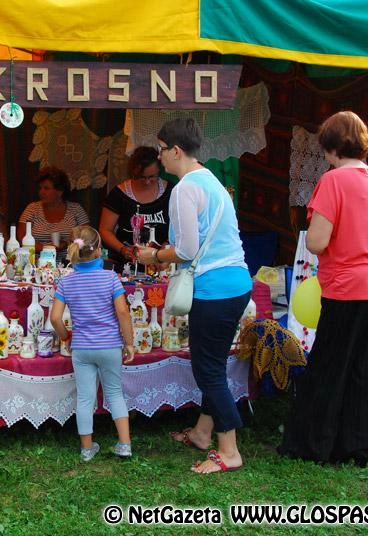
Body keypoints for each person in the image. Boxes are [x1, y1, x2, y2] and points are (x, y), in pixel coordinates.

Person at [277, 111, 368, 468]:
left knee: (329, 366)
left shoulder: (333, 181)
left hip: (347, 285)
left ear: (330, 147)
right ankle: (356, 445)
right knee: (365, 368)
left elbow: (316, 241)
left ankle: (313, 444)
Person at [137, 118, 251, 474]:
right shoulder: (211, 180)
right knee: (213, 363)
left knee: (208, 370)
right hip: (235, 283)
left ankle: (229, 449)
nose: (158, 158)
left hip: (215, 289)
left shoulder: (186, 187)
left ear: (175, 150)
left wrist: (153, 256)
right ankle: (203, 433)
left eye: (160, 149)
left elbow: (186, 249)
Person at [50, 225, 135, 461]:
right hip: (109, 346)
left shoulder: (66, 283)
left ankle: (87, 449)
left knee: (86, 398)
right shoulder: (110, 278)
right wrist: (128, 343)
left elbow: (55, 317)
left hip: (82, 348)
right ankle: (124, 444)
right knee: (115, 394)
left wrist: (66, 336)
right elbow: (123, 313)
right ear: (99, 251)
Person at [99, 146, 174, 267]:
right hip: (128, 265)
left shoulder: (171, 191)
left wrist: (166, 247)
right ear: (133, 173)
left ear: (159, 171)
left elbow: (179, 228)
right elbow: (105, 229)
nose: (147, 182)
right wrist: (123, 249)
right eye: (142, 177)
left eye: (152, 177)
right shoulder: (119, 194)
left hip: (161, 264)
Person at [18, 166, 89, 261]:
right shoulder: (32, 209)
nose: (41, 192)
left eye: (46, 188)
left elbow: (87, 237)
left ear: (60, 192)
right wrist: (45, 248)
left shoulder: (76, 209)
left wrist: (67, 244)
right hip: (37, 264)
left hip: (69, 264)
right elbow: (21, 237)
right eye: (40, 188)